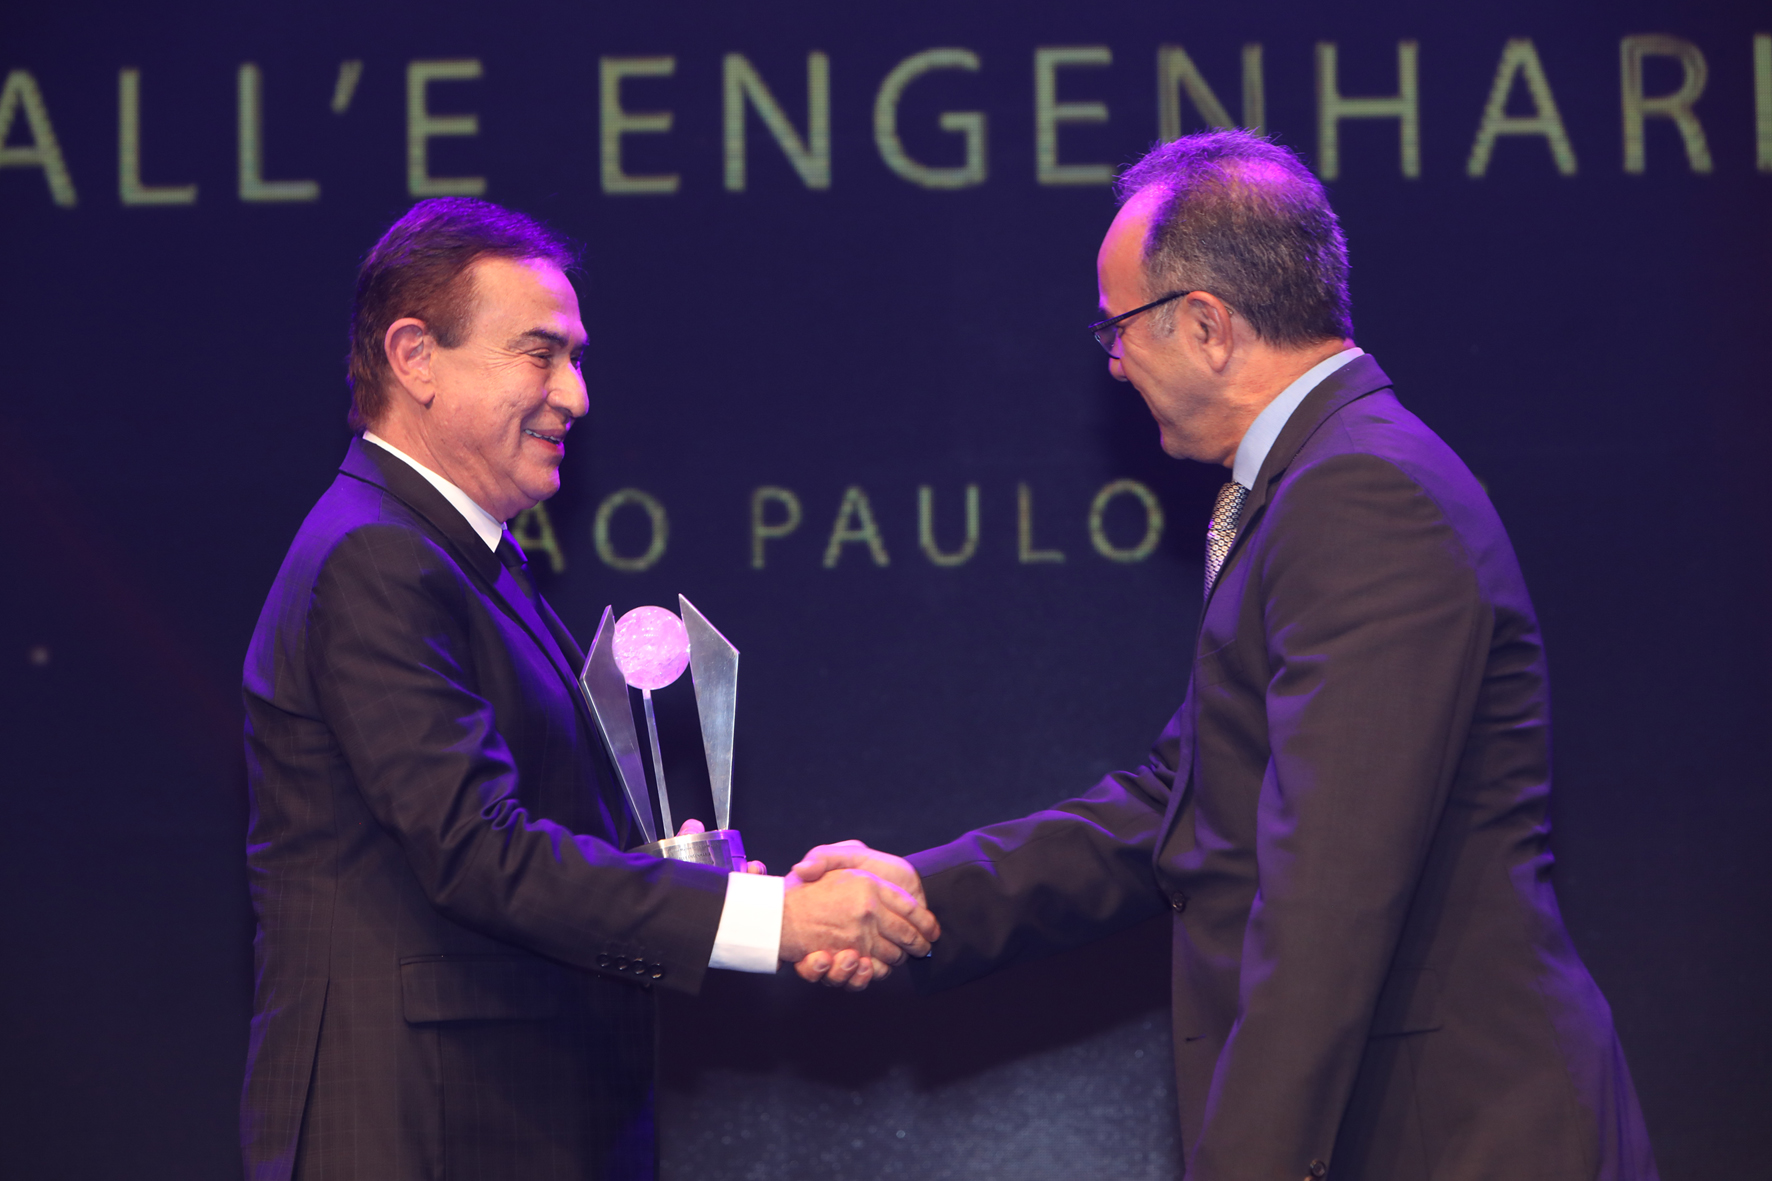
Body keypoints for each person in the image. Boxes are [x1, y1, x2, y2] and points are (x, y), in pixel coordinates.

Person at [794, 130, 1658, 1179]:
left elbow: (1329, 897)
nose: (1113, 362)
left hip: (1456, 1133)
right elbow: (1182, 802)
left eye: (1116, 328)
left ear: (1204, 324)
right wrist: (920, 892)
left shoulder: (1360, 495)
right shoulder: (1315, 485)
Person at [240, 198, 936, 1181]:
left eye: (575, 357)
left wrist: (698, 880)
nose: (575, 395)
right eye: (541, 354)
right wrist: (770, 920)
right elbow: (478, 853)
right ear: (415, 357)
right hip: (418, 1132)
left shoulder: (459, 556)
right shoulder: (377, 558)